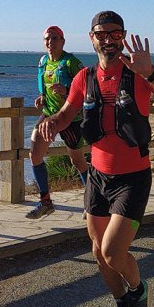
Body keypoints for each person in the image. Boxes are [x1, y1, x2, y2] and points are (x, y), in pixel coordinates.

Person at [38, 11, 154, 307]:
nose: (107, 39)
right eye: (100, 34)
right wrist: (51, 123)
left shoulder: (138, 76)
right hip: (98, 176)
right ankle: (122, 304)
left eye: (113, 33)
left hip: (133, 178)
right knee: (97, 250)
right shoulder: (84, 78)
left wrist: (151, 73)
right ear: (91, 38)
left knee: (112, 252)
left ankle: (138, 291)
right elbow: (66, 115)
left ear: (123, 36)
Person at [26, 25, 88, 219]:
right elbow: (43, 82)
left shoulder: (71, 62)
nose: (50, 42)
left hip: (70, 117)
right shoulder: (43, 61)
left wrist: (67, 89)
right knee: (34, 155)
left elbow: (87, 87)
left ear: (62, 41)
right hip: (48, 114)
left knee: (77, 161)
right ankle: (45, 201)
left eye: (54, 38)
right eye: (47, 39)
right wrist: (42, 96)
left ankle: (93, 199)